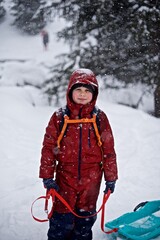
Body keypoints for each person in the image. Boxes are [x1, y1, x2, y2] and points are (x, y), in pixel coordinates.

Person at [39, 68, 118, 240]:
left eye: (87, 91)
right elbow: (49, 148)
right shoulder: (60, 117)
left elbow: (108, 150)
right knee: (61, 220)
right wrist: (47, 176)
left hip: (92, 179)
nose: (82, 94)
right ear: (70, 92)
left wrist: (111, 177)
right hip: (64, 177)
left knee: (85, 220)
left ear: (94, 93)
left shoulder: (99, 118)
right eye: (78, 90)